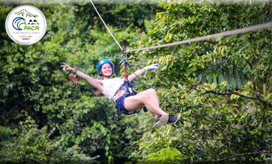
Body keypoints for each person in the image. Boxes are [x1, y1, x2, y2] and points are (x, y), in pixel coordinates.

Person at [60, 59, 179, 128]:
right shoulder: (100, 84)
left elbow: (133, 75)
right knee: (143, 98)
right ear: (101, 72)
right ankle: (169, 117)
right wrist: (73, 70)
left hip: (130, 98)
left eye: (109, 67)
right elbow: (86, 77)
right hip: (122, 102)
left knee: (151, 91)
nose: (107, 69)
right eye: (104, 68)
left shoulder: (119, 80)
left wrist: (147, 68)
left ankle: (158, 117)